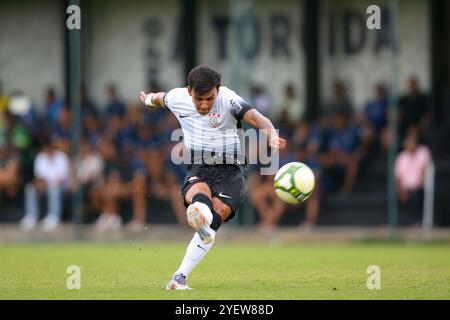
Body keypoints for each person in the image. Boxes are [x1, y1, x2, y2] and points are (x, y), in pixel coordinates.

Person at [139, 65, 286, 290]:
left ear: (218, 90)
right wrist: (147, 99)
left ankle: (200, 226)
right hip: (199, 165)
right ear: (189, 91)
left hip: (232, 170)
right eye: (199, 99)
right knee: (200, 199)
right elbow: (160, 98)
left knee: (213, 218)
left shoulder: (229, 100)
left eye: (210, 98)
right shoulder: (178, 97)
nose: (205, 104)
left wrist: (271, 135)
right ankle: (180, 276)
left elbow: (257, 118)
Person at [394, 128, 431, 225]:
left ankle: (417, 222)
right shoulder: (401, 156)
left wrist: (418, 186)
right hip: (405, 189)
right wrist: (401, 191)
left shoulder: (423, 151)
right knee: (391, 196)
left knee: (416, 195)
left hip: (419, 187)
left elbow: (424, 173)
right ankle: (392, 223)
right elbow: (398, 177)